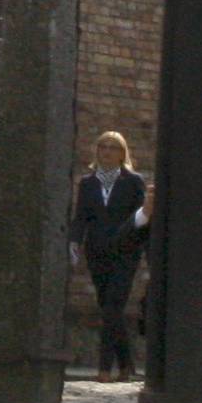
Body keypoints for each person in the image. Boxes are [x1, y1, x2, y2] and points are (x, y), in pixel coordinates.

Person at [69, 130, 151, 383]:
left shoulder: (133, 182)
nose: (106, 152)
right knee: (108, 307)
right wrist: (74, 241)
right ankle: (126, 364)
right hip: (97, 252)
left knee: (113, 306)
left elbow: (144, 219)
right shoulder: (88, 183)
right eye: (103, 147)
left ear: (122, 153)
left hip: (125, 253)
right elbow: (82, 216)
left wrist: (148, 255)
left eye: (113, 147)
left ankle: (104, 368)